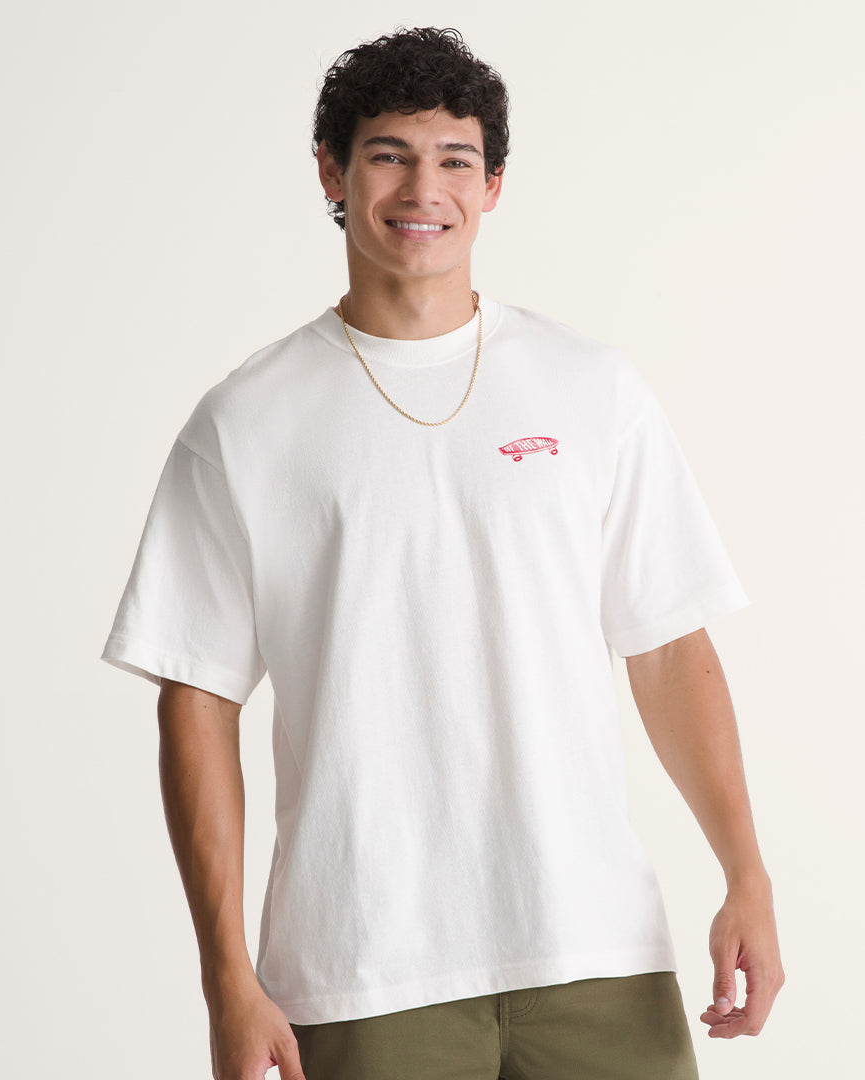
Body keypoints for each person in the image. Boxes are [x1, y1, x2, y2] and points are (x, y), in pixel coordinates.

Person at [101, 26, 783, 1080]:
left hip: (595, 949)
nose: (424, 189)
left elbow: (667, 649)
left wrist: (747, 874)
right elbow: (197, 700)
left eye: (456, 159)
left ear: (493, 184)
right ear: (332, 172)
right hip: (364, 969)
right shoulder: (246, 422)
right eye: (389, 154)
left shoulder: (590, 388)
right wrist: (226, 977)